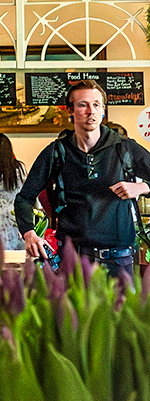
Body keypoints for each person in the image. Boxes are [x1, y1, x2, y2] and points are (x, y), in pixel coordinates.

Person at [17, 79, 150, 276]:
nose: (91, 111)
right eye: (83, 105)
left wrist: (142, 188)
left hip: (118, 261)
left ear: (103, 110)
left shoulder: (125, 148)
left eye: (96, 105)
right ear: (70, 111)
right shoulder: (57, 152)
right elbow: (24, 198)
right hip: (72, 260)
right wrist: (29, 233)